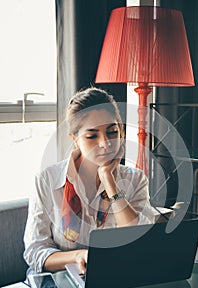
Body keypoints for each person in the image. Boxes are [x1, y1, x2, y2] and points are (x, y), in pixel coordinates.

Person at [24, 87, 158, 275]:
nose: (105, 143)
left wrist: (109, 182)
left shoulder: (135, 180)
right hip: (63, 282)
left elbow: (140, 241)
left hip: (116, 278)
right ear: (75, 139)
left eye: (112, 132)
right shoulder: (47, 180)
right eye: (92, 136)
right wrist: (79, 256)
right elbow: (35, 251)